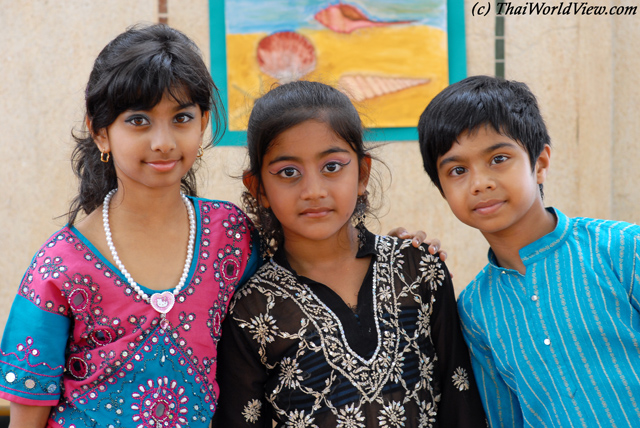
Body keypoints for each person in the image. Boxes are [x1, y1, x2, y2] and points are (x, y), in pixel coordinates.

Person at [0, 24, 260, 427]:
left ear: (203, 122)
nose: (163, 141)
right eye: (138, 120)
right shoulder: (60, 266)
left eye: (182, 117)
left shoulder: (231, 237)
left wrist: (391, 253)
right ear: (100, 132)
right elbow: (26, 416)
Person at [212, 80, 486, 427]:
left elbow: (460, 401)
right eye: (288, 173)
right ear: (259, 188)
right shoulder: (252, 310)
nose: (313, 191)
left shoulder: (418, 269)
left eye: (332, 167)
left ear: (362, 173)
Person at [418, 75, 640, 427]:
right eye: (457, 170)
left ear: (540, 163)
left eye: (499, 158)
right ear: (442, 189)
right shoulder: (475, 310)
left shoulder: (622, 249)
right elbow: (506, 419)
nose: (480, 183)